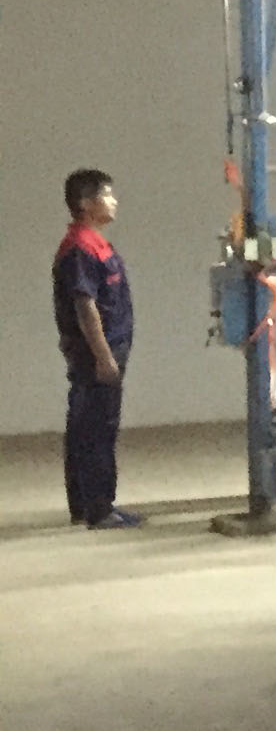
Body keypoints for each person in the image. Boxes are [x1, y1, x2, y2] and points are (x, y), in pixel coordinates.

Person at [53, 167, 142, 530]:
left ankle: (83, 505)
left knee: (84, 427)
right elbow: (85, 306)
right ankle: (100, 509)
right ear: (86, 203)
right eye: (107, 194)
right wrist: (104, 357)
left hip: (101, 351)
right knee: (97, 430)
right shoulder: (81, 249)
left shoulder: (95, 244)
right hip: (96, 355)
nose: (114, 201)